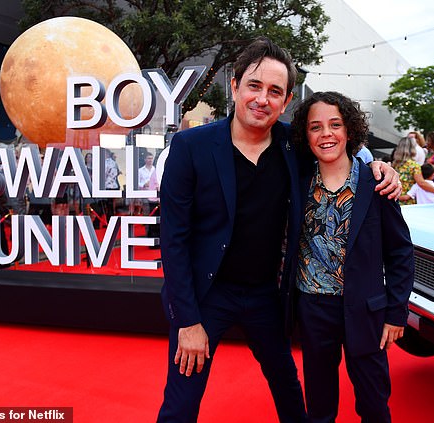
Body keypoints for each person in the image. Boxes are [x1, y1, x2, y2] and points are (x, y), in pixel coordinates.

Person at [156, 36, 400, 423]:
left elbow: (340, 148)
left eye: (275, 91)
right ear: (234, 86)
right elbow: (173, 238)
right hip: (205, 295)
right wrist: (187, 321)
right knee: (182, 400)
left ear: (286, 102)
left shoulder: (293, 146)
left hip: (266, 295)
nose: (262, 99)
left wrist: (379, 168)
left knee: (288, 386)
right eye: (254, 86)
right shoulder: (190, 146)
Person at [290, 91, 414, 423]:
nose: (326, 134)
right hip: (313, 308)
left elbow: (400, 251)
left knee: (374, 403)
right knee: (319, 405)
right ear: (306, 134)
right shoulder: (297, 184)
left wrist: (396, 312)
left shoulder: (377, 183)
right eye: (315, 127)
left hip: (366, 310)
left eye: (335, 124)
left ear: (350, 131)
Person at [391, 136, 434, 205]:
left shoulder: (394, 165)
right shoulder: (414, 166)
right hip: (408, 202)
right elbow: (422, 183)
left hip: (394, 200)